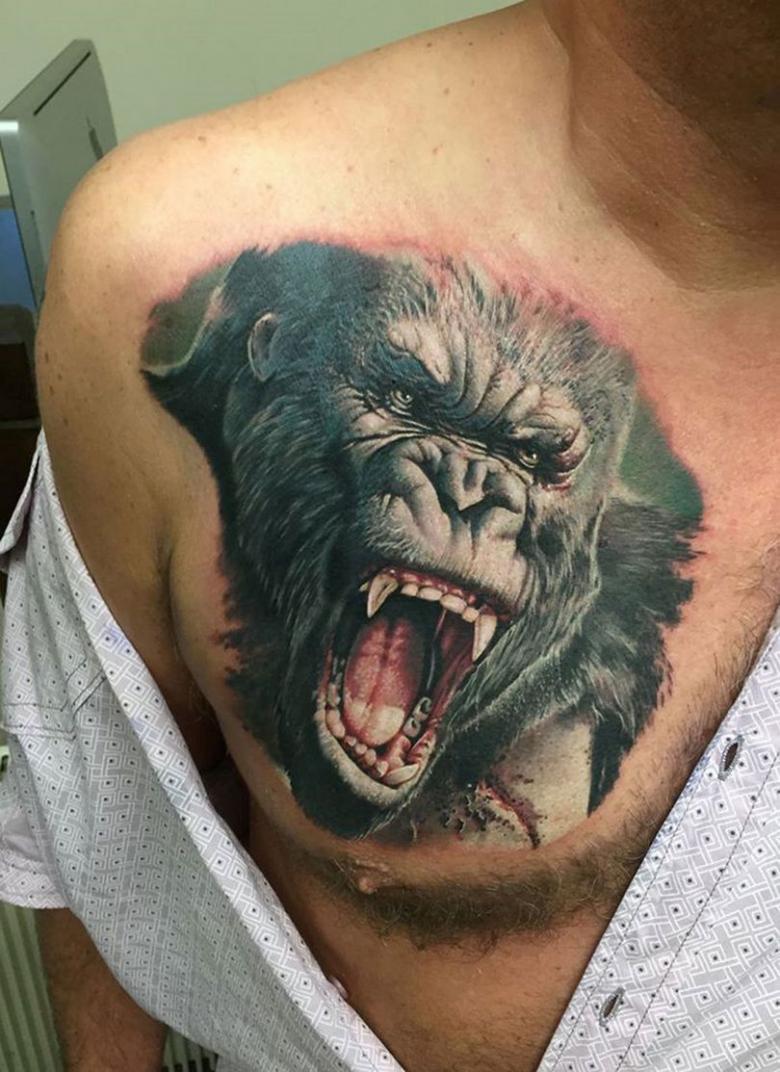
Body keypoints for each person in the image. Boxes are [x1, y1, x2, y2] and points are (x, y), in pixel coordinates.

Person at [1, 2, 778, 1070]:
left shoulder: (620, 602)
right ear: (266, 366)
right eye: (413, 403)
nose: (475, 494)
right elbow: (92, 808)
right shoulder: (159, 268)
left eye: (534, 459)